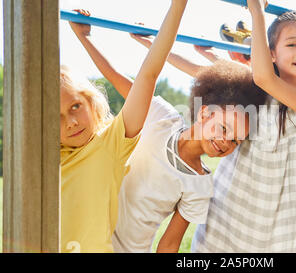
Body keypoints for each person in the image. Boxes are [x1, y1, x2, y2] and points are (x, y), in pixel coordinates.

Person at [68, 9, 267, 253]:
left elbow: (170, 243)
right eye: (224, 128)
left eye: (236, 141)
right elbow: (118, 77)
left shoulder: (200, 185)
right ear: (205, 113)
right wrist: (85, 37)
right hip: (87, 238)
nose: (226, 141)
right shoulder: (162, 116)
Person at [191, 0, 296, 252]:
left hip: (278, 227)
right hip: (230, 211)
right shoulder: (255, 91)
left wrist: (256, 11)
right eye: (292, 44)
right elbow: (199, 70)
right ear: (272, 54)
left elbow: (264, 76)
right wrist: (152, 44)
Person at [60, 0, 188, 253]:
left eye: (76, 106)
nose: (71, 122)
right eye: (57, 117)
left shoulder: (109, 143)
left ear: (91, 102)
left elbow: (148, 74)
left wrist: (178, 6)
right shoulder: (47, 154)